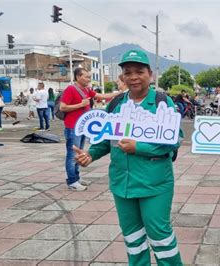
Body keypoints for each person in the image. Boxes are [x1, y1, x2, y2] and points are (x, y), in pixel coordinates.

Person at [74, 49, 183, 265]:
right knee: (133, 238)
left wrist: (139, 147)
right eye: (128, 72)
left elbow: (174, 140)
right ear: (122, 76)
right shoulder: (115, 104)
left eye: (139, 71)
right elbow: (107, 139)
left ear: (149, 74)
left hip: (154, 184)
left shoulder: (163, 102)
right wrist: (91, 154)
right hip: (121, 184)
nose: (133, 77)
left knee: (160, 237)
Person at [60, 67, 123, 191]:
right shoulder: (71, 89)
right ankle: (72, 181)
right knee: (72, 154)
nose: (89, 79)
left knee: (80, 152)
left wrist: (120, 93)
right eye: (87, 77)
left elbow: (102, 96)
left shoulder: (87, 90)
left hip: (83, 127)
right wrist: (81, 105)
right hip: (73, 127)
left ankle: (76, 178)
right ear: (78, 77)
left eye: (89, 77)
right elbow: (63, 107)